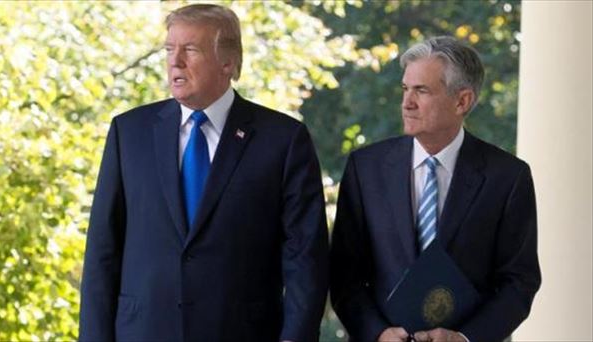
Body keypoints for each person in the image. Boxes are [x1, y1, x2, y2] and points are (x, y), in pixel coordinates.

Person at [79, 4, 328, 341]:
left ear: (228, 62)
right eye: (169, 49)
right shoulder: (129, 132)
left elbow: (305, 260)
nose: (174, 61)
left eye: (190, 50)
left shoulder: (283, 139)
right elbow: (102, 251)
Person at [329, 36, 541, 342]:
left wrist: (465, 338)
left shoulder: (507, 177)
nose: (407, 102)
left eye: (421, 91)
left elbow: (519, 281)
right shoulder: (365, 169)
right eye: (405, 89)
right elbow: (344, 273)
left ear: (462, 101)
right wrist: (377, 334)